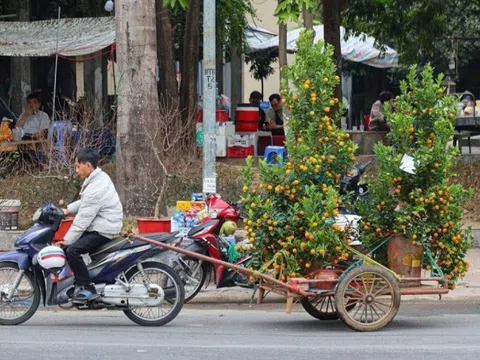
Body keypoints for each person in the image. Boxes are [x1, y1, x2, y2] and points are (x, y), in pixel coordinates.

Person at [56, 148, 123, 302]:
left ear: (87, 165)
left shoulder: (96, 187)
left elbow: (83, 219)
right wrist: (67, 210)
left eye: (77, 166)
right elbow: (86, 202)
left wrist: (67, 240)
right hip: (102, 224)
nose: (76, 169)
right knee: (74, 248)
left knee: (72, 250)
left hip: (103, 228)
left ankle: (87, 287)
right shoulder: (97, 179)